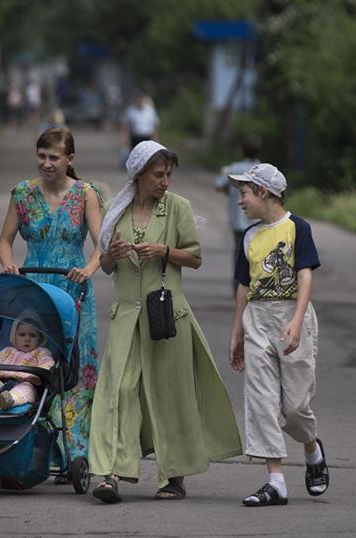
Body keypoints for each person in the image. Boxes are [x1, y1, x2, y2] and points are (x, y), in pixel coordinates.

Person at [89, 141, 242, 503]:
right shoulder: (116, 209)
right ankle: (110, 473)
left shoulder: (178, 209)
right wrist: (109, 255)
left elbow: (195, 257)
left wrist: (164, 252)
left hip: (166, 318)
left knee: (170, 395)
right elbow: (107, 266)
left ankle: (173, 477)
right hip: (127, 317)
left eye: (168, 174)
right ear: (139, 175)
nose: (165, 182)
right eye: (158, 175)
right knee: (119, 392)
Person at [0, 128, 103, 467]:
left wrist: (88, 268)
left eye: (54, 157)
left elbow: (103, 243)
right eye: (41, 156)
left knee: (74, 370)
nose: (46, 163)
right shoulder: (23, 194)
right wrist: (8, 264)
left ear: (69, 159)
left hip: (74, 290)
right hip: (35, 290)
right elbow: (4, 240)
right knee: (32, 363)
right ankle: (34, 448)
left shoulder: (86, 194)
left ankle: (75, 452)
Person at [226, 163, 330, 507]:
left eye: (243, 193)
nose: (239, 201)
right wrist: (236, 331)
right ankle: (276, 481)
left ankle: (311, 447)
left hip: (290, 315)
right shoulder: (249, 237)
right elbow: (244, 286)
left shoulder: (297, 228)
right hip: (257, 318)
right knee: (262, 401)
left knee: (295, 405)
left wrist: (298, 320)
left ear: (263, 192)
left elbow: (305, 276)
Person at [215, 135, 262, 290]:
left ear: (242, 150)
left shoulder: (234, 168)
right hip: (257, 220)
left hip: (237, 219)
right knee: (257, 253)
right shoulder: (262, 169)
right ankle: (256, 284)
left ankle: (238, 286)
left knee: (239, 254)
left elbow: (218, 184)